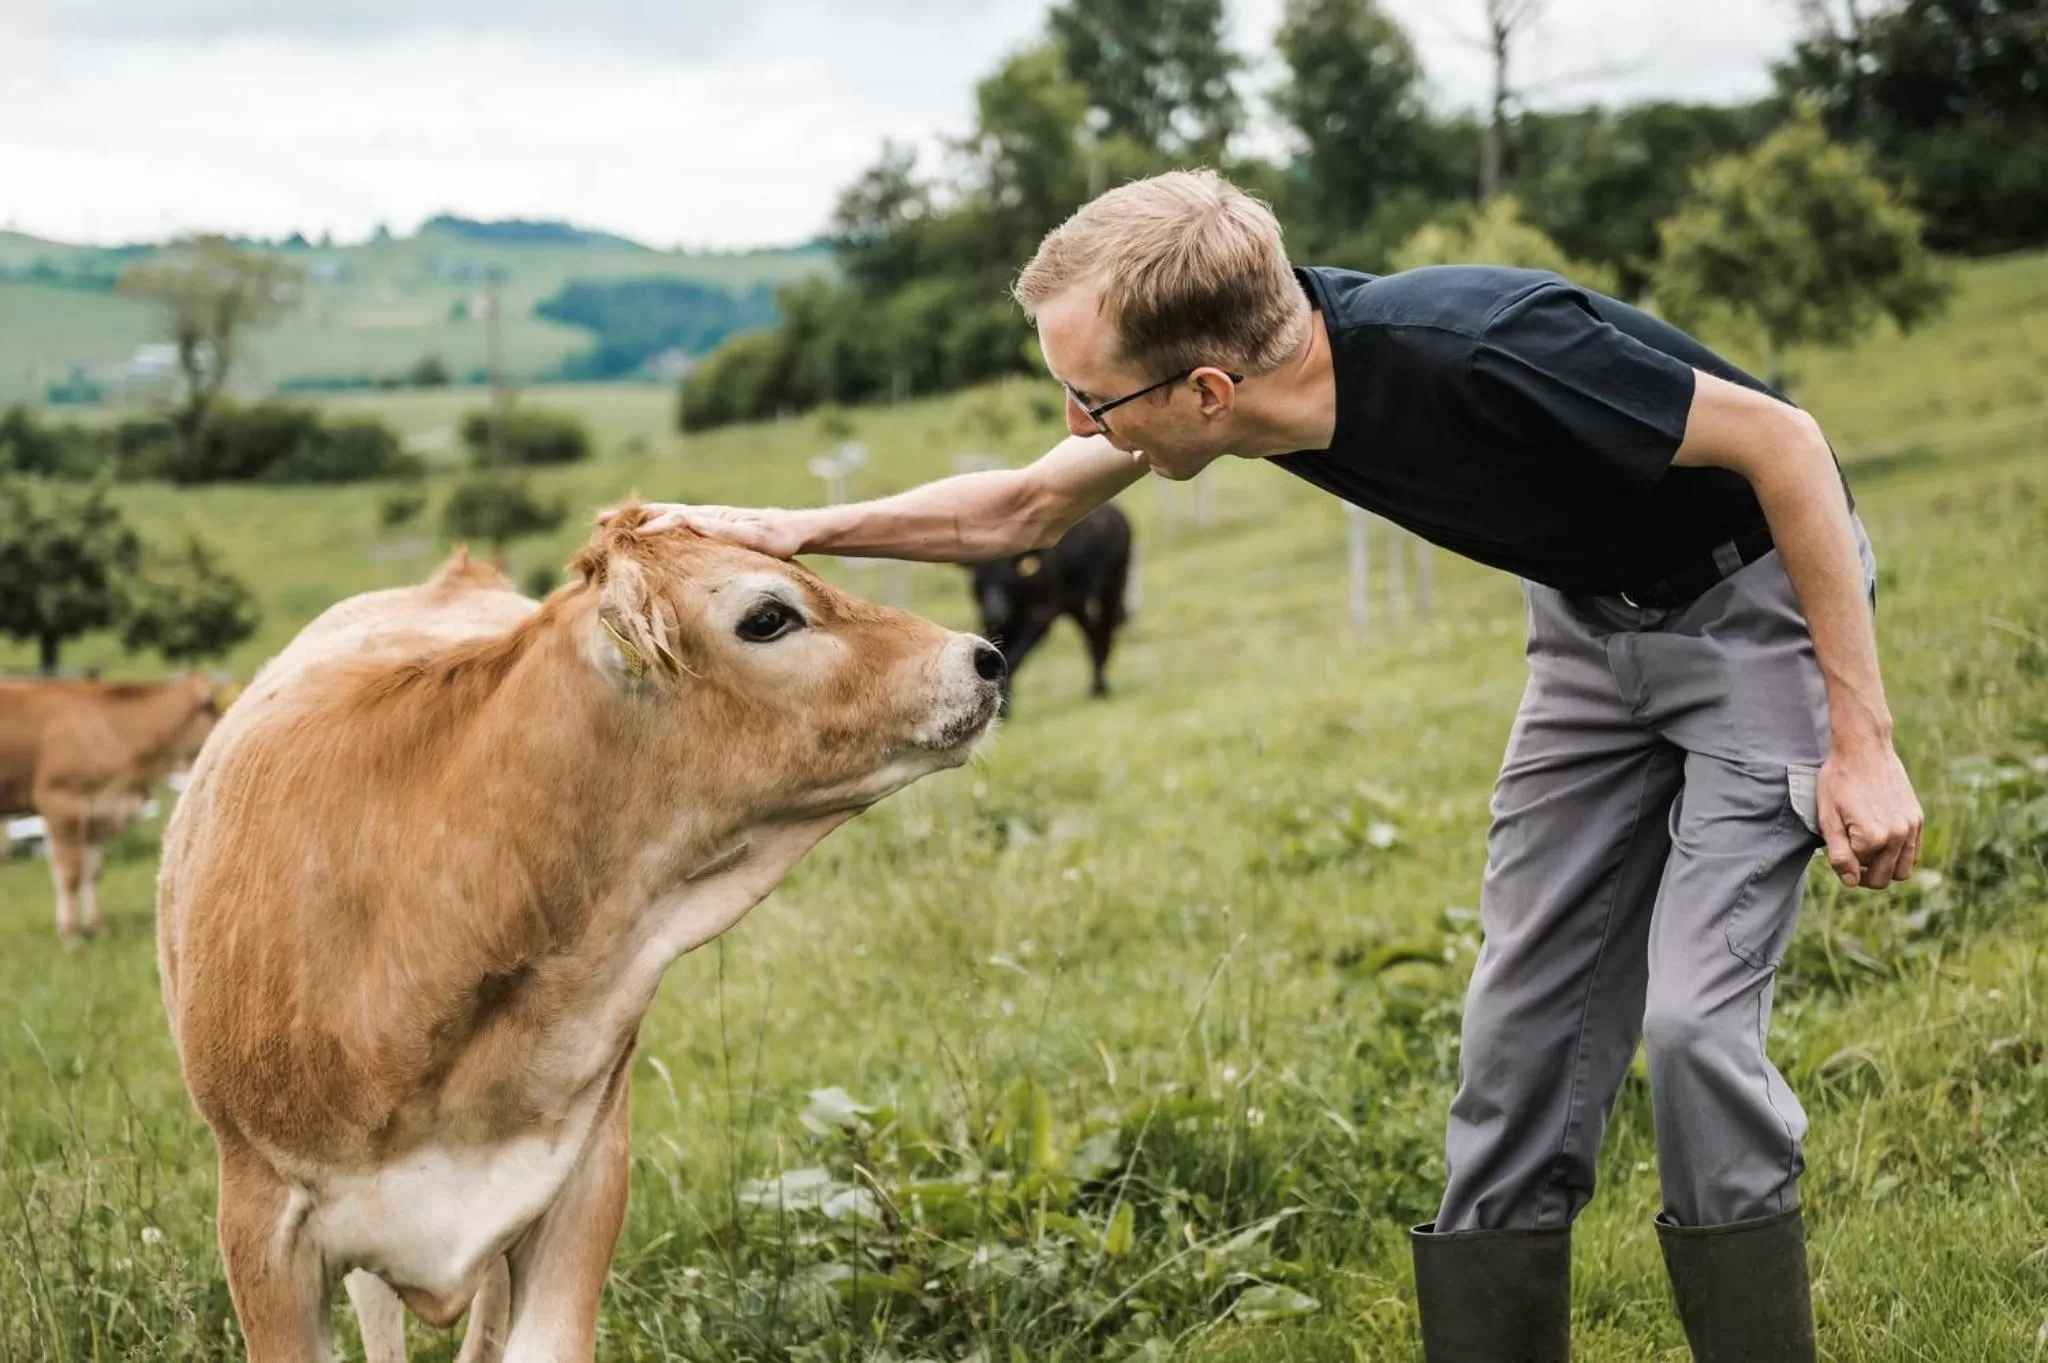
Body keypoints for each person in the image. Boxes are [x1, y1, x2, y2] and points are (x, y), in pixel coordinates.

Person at [628, 170, 1922, 1362]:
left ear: (1205, 392)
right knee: (1513, 1037)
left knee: (1694, 1029)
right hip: (1590, 631)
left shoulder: (1485, 350)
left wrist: (1861, 743)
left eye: (1094, 399)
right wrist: (791, 526)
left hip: (1753, 609)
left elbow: (1788, 446)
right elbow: (1021, 507)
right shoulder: (1254, 366)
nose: (1078, 423)